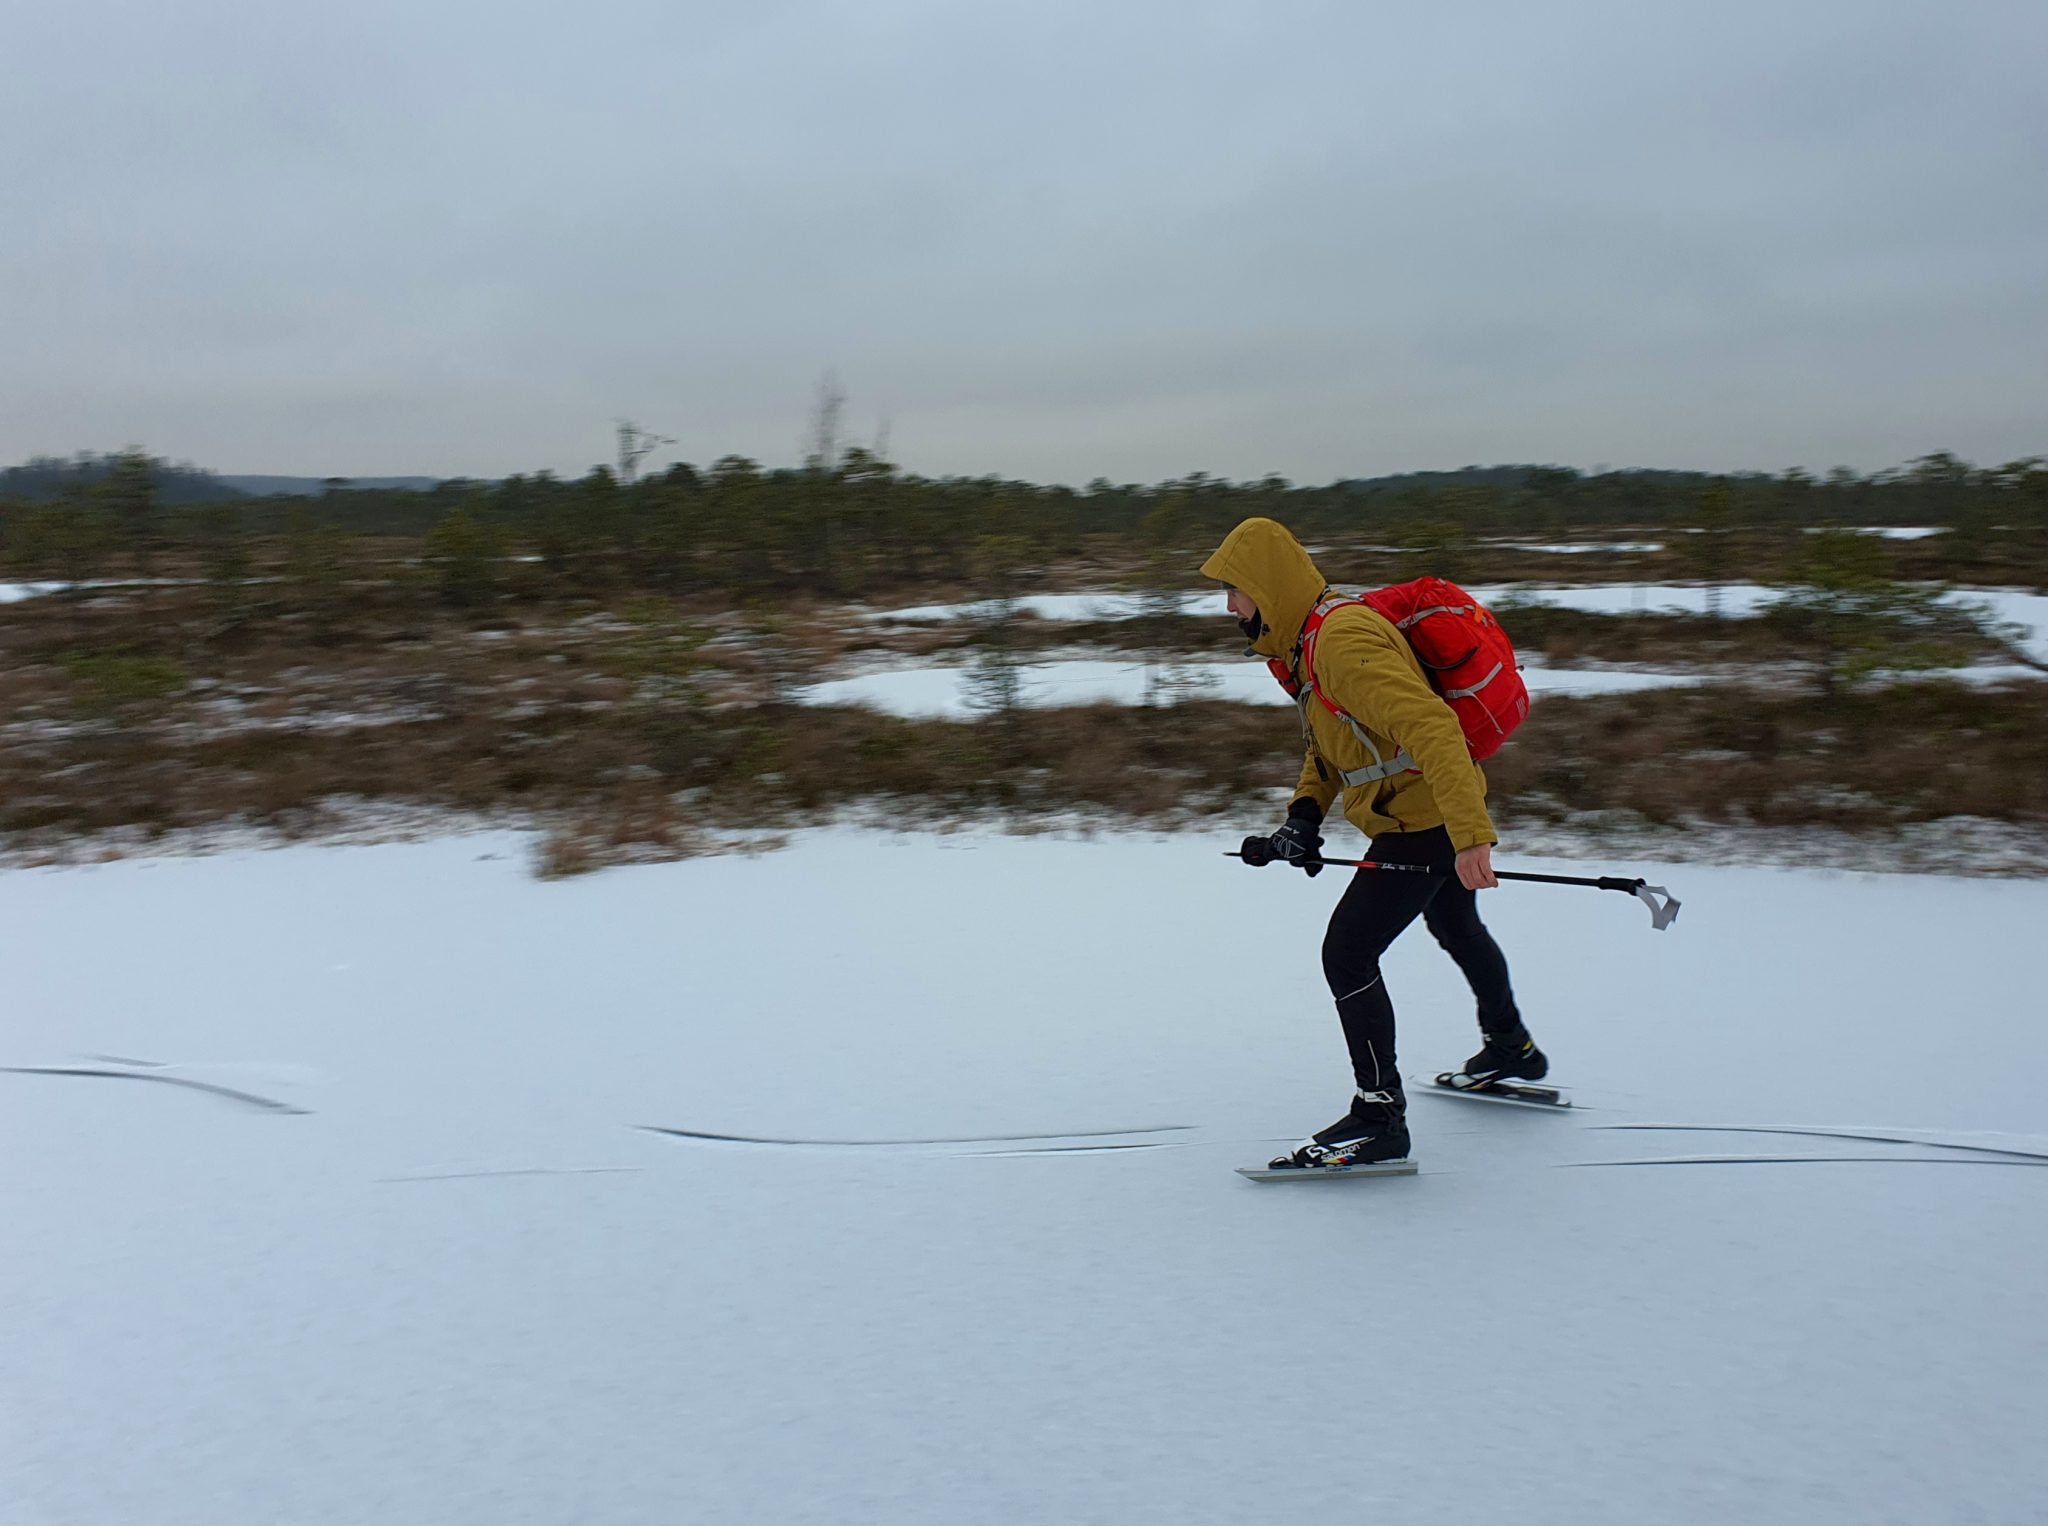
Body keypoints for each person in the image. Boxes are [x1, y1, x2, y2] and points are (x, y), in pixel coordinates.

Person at [1200, 516, 1547, 1170]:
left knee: (1348, 952)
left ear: (1266, 587)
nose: (1229, 607)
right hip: (1417, 813)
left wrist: (1471, 836)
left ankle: (1379, 1115)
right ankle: (1512, 1048)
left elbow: (1433, 728)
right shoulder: (1309, 643)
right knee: (1456, 925)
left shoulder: (1339, 641)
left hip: (1423, 821)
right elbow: (1332, 746)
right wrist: (1304, 817)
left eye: (1234, 590)